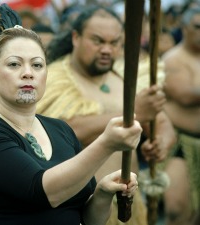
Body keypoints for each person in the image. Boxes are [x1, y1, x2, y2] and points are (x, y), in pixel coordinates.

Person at [0, 2, 142, 225]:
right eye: (14, 64)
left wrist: (102, 192)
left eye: (37, 65)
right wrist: (106, 144)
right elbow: (43, 192)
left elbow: (89, 220)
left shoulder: (61, 130)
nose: (27, 73)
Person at [37, 5, 176, 225]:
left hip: (126, 205)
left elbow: (161, 122)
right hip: (78, 207)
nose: (106, 50)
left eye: (114, 43)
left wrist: (161, 143)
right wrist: (134, 112)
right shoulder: (52, 80)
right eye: (98, 41)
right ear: (76, 37)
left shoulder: (127, 78)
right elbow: (60, 131)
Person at [162, 6, 200, 225]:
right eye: (197, 26)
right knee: (178, 209)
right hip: (181, 144)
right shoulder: (173, 59)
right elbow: (184, 95)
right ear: (184, 28)